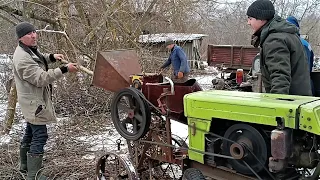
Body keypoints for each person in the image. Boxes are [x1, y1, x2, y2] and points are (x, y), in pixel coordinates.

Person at [12, 22, 78, 179]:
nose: (34, 35)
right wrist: (64, 69)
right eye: (29, 34)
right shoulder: (22, 58)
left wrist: (51, 57)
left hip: (31, 102)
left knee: (30, 132)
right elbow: (40, 78)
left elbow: (38, 60)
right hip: (34, 104)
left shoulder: (27, 50)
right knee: (40, 135)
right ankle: (34, 175)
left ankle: (24, 166)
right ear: (21, 38)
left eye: (34, 32)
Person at [246, 0, 312, 96]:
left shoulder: (275, 40)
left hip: (290, 103)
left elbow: (280, 78)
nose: (248, 22)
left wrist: (277, 107)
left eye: (250, 18)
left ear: (261, 18)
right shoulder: (286, 34)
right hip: (298, 100)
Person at [286, 16, 315, 95]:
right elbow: (311, 63)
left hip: (297, 86)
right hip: (308, 82)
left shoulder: (291, 43)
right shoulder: (306, 44)